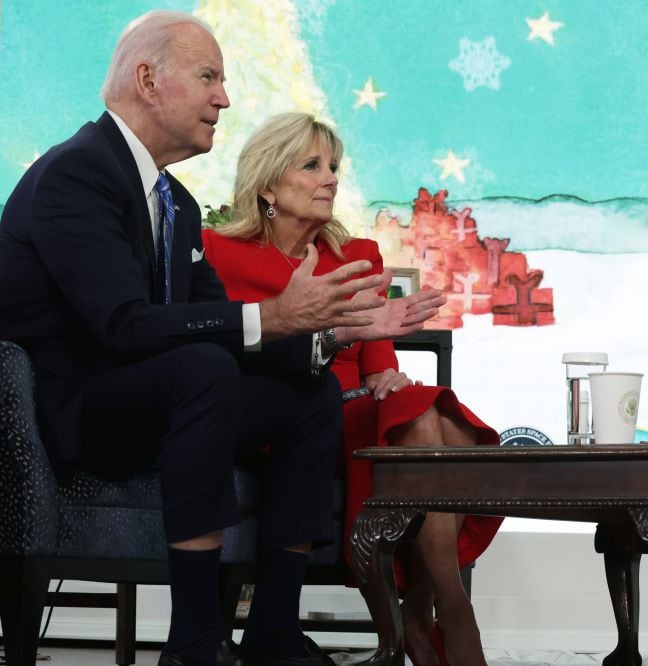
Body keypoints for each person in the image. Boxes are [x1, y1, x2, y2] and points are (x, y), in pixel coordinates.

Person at [0, 12, 443, 666]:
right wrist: (274, 315)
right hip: (66, 410)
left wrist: (334, 331)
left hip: (149, 397)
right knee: (202, 369)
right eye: (208, 77)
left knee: (308, 395)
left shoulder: (179, 206)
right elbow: (123, 323)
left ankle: (274, 631)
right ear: (147, 80)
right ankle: (194, 641)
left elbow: (219, 325)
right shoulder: (76, 175)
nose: (224, 97)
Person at [202, 112, 500, 666]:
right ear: (268, 184)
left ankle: (423, 610)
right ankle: (442, 612)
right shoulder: (218, 253)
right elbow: (217, 355)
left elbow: (377, 366)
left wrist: (387, 375)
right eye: (312, 165)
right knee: (427, 422)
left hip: (354, 409)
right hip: (275, 412)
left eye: (333, 166)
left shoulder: (358, 254)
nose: (331, 178)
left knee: (441, 420)